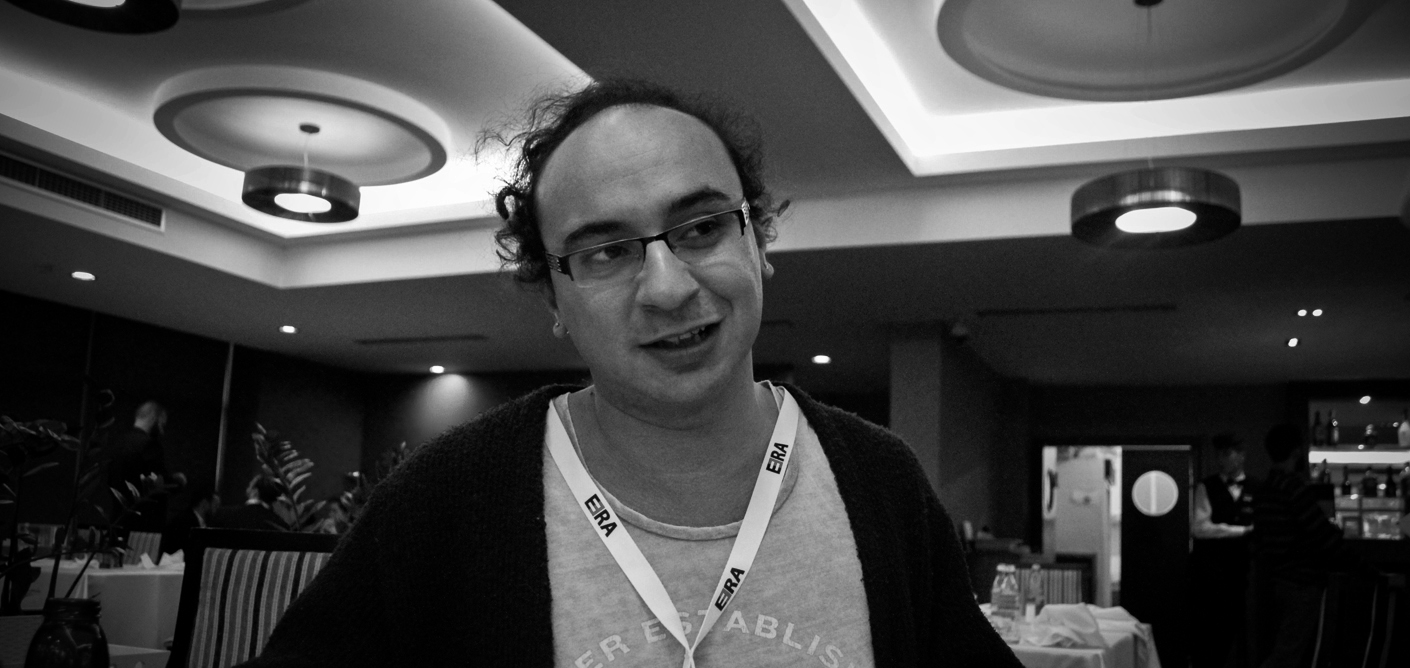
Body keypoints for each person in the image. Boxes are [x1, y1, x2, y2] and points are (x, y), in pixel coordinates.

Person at [240, 79, 1018, 667]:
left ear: (759, 240)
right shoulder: (445, 500)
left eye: (702, 227)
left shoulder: (879, 482)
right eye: (607, 251)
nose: (668, 288)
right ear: (553, 297)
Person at [1250, 423, 1360, 668]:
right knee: (1289, 655)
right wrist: (1358, 561)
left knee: (1280, 650)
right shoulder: (1293, 488)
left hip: (1273, 581)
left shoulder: (1264, 489)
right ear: (1297, 451)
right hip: (1300, 582)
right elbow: (1321, 534)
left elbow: (1262, 539)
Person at [1189, 433, 1255, 667]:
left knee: (1241, 630)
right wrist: (1243, 531)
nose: (1220, 460)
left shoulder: (1257, 487)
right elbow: (1199, 529)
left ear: (1241, 456)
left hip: (1244, 573)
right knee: (1208, 633)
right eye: (1218, 454)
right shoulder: (1206, 486)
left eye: (1226, 454)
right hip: (1210, 574)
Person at [107, 400, 178, 532]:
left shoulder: (118, 445)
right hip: (143, 525)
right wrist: (177, 481)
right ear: (153, 418)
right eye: (161, 424)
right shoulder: (150, 446)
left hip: (118, 520)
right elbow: (159, 483)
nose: (162, 431)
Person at [160, 479, 218, 556]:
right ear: (204, 504)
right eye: (215, 506)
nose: (216, 510)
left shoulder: (197, 520)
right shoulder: (185, 522)